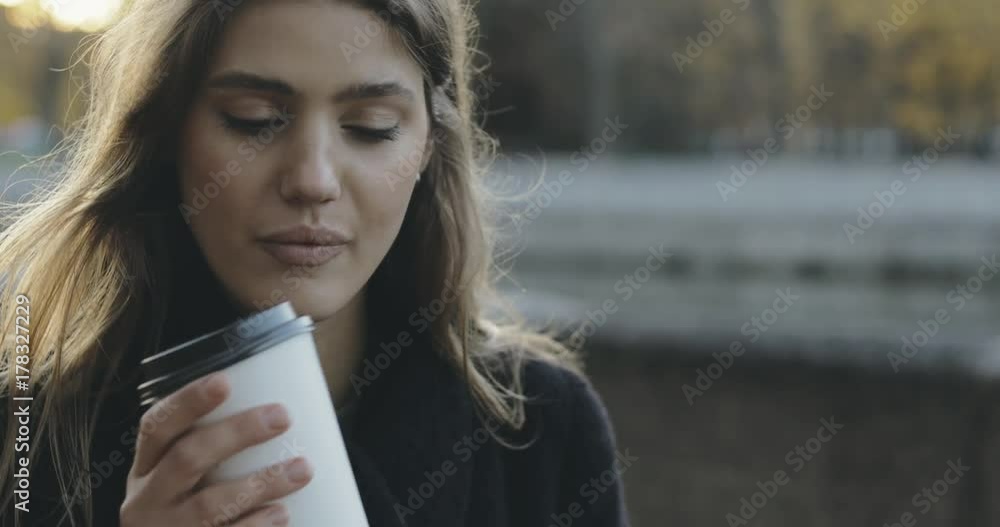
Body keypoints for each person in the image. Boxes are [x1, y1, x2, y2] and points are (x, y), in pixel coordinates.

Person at [0, 1, 630, 525]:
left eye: (372, 126)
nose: (311, 179)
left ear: (428, 149)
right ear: (169, 136)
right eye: (255, 121)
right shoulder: (28, 433)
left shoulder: (542, 428)